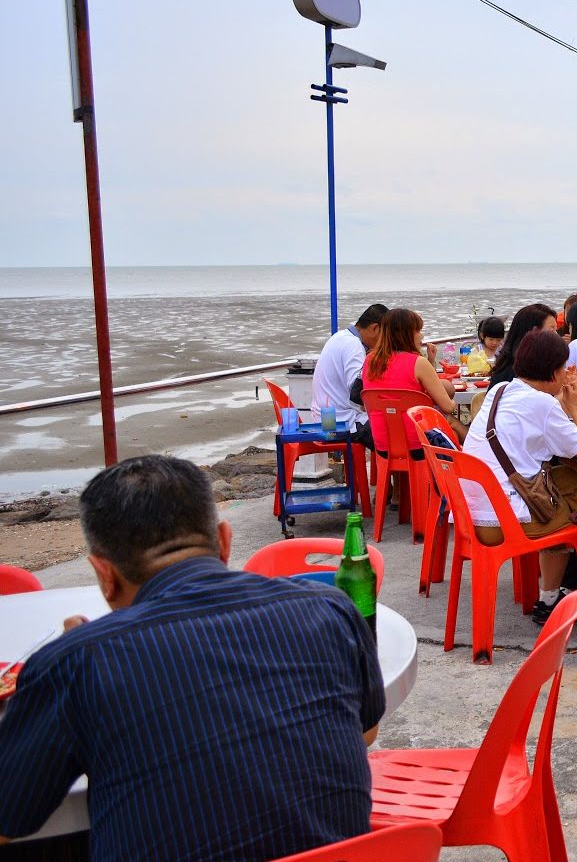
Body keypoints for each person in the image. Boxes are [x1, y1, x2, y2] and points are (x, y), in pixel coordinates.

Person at [0, 455, 382, 860]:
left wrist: (71, 665)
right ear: (224, 541)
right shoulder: (329, 608)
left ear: (104, 574)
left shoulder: (79, 661)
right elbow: (366, 732)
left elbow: (10, 819)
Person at [461, 331, 577, 624]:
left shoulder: (499, 391)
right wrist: (575, 408)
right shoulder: (543, 405)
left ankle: (556, 593)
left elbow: (536, 414)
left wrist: (562, 395)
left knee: (566, 484)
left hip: (470, 514)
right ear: (553, 370)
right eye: (562, 368)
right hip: (505, 521)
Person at [362, 308, 460, 459]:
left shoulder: (370, 360)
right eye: (418, 330)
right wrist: (453, 402)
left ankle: (406, 482)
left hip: (382, 445)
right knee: (450, 425)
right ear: (406, 334)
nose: (421, 335)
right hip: (418, 445)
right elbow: (448, 406)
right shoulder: (418, 363)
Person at [312, 302, 388, 448]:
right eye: (385, 336)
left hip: (327, 417)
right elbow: (358, 392)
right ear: (375, 328)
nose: (385, 342)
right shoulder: (353, 345)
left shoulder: (341, 337)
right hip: (339, 423)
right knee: (393, 432)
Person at [488, 303, 559, 386]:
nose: (557, 336)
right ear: (533, 332)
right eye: (551, 331)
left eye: (556, 330)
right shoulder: (517, 374)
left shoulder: (542, 366)